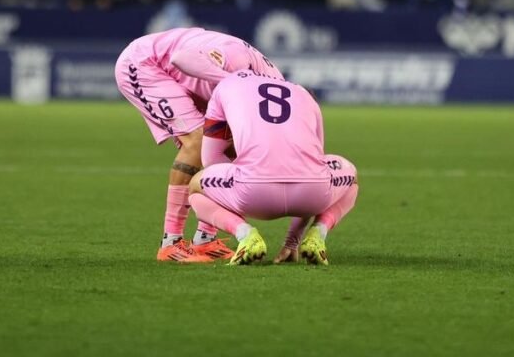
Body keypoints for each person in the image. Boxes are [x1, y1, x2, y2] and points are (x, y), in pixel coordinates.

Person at [114, 28, 284, 262]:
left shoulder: (275, 86)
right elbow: (181, 58)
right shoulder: (236, 59)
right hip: (145, 64)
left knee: (236, 151)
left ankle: (205, 239)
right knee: (197, 142)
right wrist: (233, 82)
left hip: (190, 79)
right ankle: (170, 243)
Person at [187, 70, 359, 265]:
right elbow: (314, 163)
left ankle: (245, 235)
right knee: (350, 179)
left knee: (195, 186)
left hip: (253, 194)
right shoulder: (303, 94)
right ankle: (317, 234)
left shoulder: (225, 86)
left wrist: (236, 183)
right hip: (313, 194)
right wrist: (291, 242)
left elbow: (210, 160)